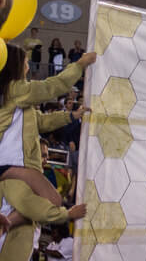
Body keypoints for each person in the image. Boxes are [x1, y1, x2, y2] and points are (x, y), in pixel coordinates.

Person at [0, 44, 95, 211]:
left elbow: (41, 122)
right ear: (16, 65)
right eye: (26, 62)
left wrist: (71, 116)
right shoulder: (16, 89)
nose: (28, 67)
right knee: (47, 204)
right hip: (13, 163)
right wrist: (80, 65)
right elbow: (51, 87)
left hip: (17, 164)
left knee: (26, 214)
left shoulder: (16, 96)